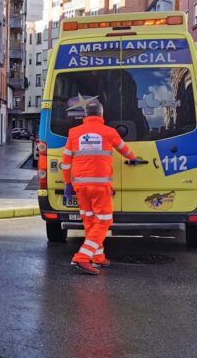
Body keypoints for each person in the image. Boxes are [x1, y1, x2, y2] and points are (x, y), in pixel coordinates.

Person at [61, 99, 142, 275]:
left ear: (86, 115)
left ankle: (98, 257)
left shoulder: (74, 133)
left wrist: (68, 183)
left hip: (80, 187)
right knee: (104, 221)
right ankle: (83, 257)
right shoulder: (109, 132)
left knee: (90, 221)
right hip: (100, 186)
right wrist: (134, 158)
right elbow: (124, 149)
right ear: (101, 115)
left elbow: (65, 162)